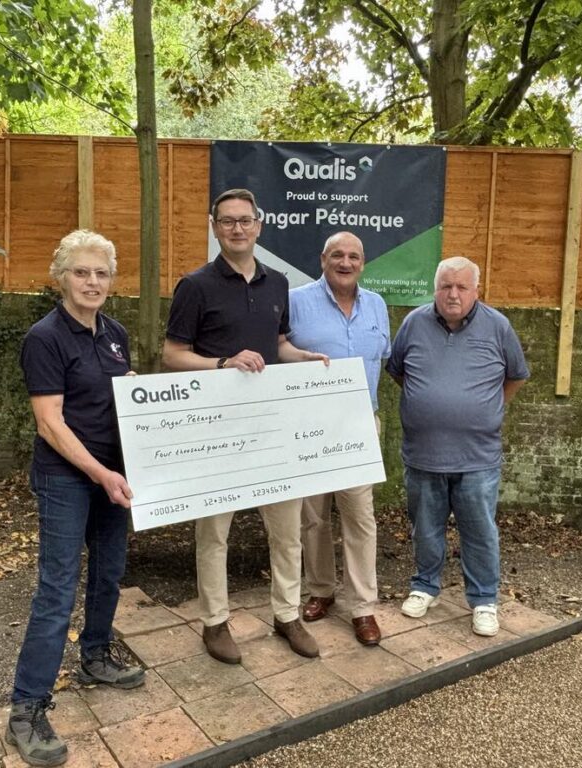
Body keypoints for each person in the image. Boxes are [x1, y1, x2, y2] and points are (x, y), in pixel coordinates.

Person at [162, 188, 330, 665]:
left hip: (273, 427)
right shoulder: (194, 286)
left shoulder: (278, 283)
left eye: (245, 220)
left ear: (259, 225)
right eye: (227, 221)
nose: (237, 228)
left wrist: (306, 358)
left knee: (287, 529)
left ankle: (287, 615)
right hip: (217, 430)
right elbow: (171, 355)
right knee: (214, 533)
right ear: (215, 228)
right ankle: (215, 623)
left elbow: (278, 345)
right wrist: (222, 364)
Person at [8, 230, 144, 767]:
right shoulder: (44, 338)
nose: (92, 282)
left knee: (109, 572)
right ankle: (27, 706)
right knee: (57, 589)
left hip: (113, 474)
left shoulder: (115, 334)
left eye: (101, 273)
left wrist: (135, 394)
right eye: (81, 272)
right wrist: (100, 473)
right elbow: (49, 424)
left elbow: (116, 399)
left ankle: (95, 657)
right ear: (60, 276)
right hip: (67, 478)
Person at [386, 256, 528, 637]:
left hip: (477, 457)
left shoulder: (498, 326)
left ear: (476, 291)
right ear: (434, 289)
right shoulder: (413, 323)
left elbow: (515, 376)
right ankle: (424, 586)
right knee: (426, 528)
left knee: (479, 530)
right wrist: (430, 403)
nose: (452, 294)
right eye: (445, 286)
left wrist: (484, 408)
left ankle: (483, 599)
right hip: (423, 454)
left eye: (461, 287)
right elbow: (399, 371)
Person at [287, 232, 390, 646]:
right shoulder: (297, 302)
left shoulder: (378, 306)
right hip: (310, 425)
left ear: (363, 263)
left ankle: (362, 607)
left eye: (353, 256)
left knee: (360, 517)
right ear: (322, 259)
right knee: (312, 516)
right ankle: (321, 590)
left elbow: (381, 360)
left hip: (361, 425)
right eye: (337, 255)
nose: (345, 262)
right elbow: (280, 353)